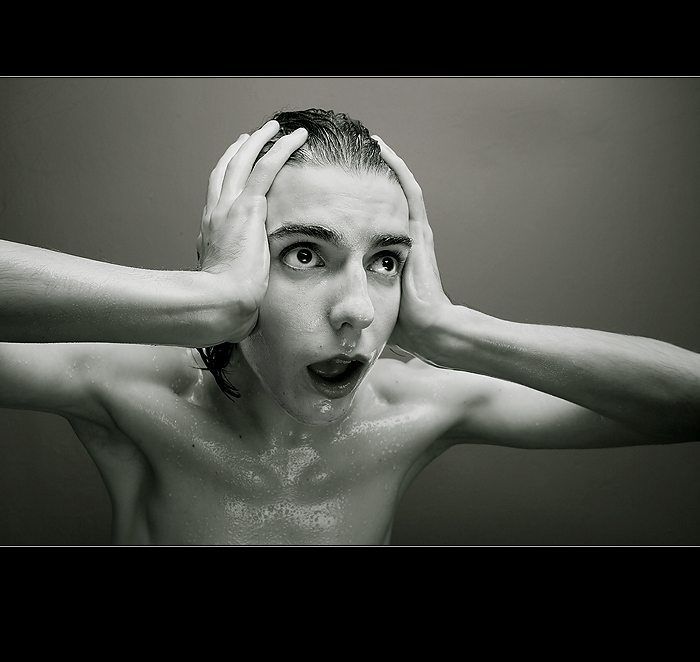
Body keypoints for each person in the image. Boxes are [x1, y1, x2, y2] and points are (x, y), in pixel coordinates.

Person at [1, 108, 699, 546]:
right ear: (239, 258)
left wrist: (452, 332)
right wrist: (205, 299)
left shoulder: (412, 409)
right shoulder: (124, 390)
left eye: (386, 261)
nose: (359, 309)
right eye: (305, 255)